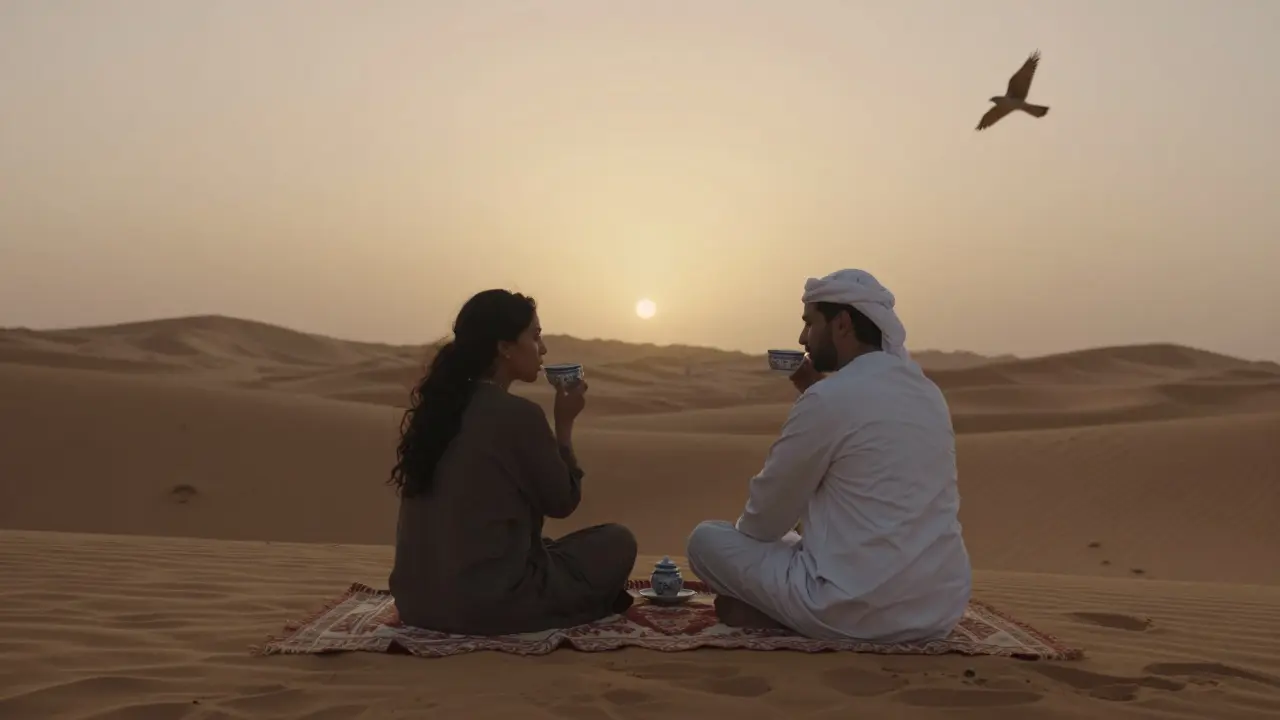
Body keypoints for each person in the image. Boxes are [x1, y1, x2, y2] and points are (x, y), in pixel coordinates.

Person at [686, 269, 971, 643]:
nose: (802, 338)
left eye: (809, 323)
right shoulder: (928, 393)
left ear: (841, 324)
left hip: (854, 609)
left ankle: (784, 616)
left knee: (706, 540)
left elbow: (762, 523)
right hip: (937, 610)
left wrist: (813, 400)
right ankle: (781, 609)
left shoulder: (829, 399)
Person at [388, 289, 637, 635]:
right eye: (535, 337)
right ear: (504, 347)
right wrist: (563, 426)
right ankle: (585, 606)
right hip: (489, 605)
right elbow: (563, 500)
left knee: (546, 549)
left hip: (416, 604)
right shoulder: (518, 415)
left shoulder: (435, 410)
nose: (544, 349)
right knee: (618, 542)